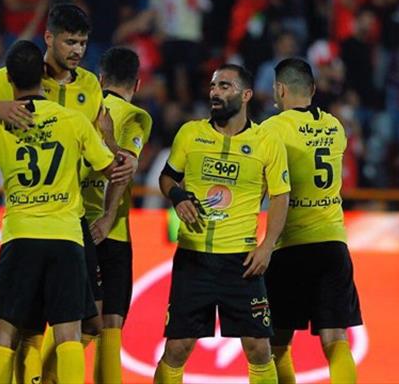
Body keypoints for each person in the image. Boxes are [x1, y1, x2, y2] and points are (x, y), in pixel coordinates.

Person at [0, 3, 131, 382]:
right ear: (49, 38)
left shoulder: (87, 86)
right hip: (64, 228)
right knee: (57, 330)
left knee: (35, 329)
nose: (77, 50)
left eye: (82, 43)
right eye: (70, 42)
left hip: (53, 225)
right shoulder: (35, 98)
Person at [154, 64, 290, 383]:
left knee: (259, 348)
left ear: (246, 95)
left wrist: (267, 246)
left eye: (225, 86)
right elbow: (167, 177)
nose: (215, 92)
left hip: (240, 261)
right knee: (177, 348)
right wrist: (177, 196)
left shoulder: (266, 141)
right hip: (193, 257)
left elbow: (281, 196)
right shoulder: (190, 133)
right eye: (214, 86)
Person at [260, 58, 363, 384]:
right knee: (336, 339)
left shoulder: (272, 129)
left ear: (280, 89)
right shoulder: (335, 126)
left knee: (277, 343)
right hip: (333, 244)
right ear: (313, 89)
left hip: (290, 245)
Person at [84, 47, 152, 383]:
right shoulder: (135, 116)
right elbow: (123, 167)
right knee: (109, 323)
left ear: (100, 79)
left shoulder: (81, 109)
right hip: (111, 232)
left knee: (75, 321)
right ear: (137, 84)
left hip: (73, 223)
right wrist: (110, 215)